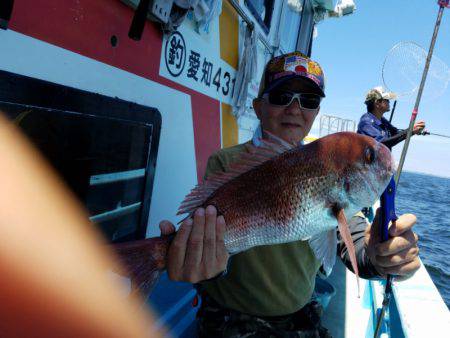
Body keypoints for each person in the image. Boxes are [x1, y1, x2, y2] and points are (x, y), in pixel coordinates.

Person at [159, 52, 421, 337]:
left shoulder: (328, 164)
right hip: (230, 316)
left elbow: (349, 235)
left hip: (299, 316)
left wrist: (377, 252)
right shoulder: (228, 163)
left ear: (316, 112)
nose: (295, 109)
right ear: (259, 107)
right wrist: (204, 265)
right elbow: (213, 239)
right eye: (282, 96)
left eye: (308, 101)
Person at [358, 86, 426, 149]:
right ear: (377, 103)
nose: (389, 102)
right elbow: (381, 144)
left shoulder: (382, 120)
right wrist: (410, 131)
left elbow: (396, 133)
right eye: (386, 100)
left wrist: (413, 131)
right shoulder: (366, 122)